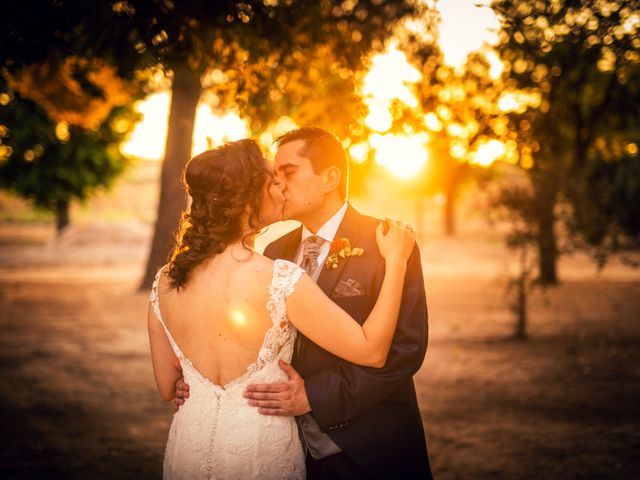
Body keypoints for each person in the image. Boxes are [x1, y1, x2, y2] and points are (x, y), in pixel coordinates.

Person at [148, 138, 416, 479]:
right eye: (272, 181)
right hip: (260, 451)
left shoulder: (164, 282)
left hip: (191, 444)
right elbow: (372, 350)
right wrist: (396, 263)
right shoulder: (280, 276)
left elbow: (168, 386)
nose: (281, 188)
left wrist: (200, 388)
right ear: (248, 199)